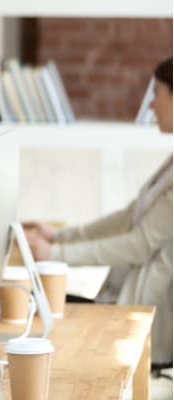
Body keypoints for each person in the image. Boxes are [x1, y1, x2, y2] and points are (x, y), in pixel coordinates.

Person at [24, 57, 172, 367]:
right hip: (120, 300)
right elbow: (128, 217)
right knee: (35, 311)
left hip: (141, 317)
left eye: (157, 93)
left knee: (37, 319)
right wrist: (59, 235)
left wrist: (55, 252)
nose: (151, 106)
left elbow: (139, 244)